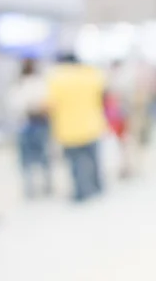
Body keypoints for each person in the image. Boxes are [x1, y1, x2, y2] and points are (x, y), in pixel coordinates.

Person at [47, 54, 106, 202]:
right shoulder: (90, 75)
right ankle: (98, 186)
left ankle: (81, 191)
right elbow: (102, 95)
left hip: (69, 129)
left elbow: (50, 104)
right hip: (92, 124)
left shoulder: (57, 79)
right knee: (94, 160)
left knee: (75, 163)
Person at [9, 59, 51, 198]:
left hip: (30, 125)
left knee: (30, 160)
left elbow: (14, 106)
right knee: (41, 157)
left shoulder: (20, 85)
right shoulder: (38, 84)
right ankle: (43, 186)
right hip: (33, 125)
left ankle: (33, 188)